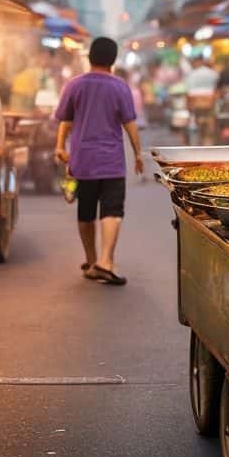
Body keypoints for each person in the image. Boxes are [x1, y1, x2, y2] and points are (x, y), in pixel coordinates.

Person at [54, 37, 144, 286]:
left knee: (86, 210)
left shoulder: (74, 85)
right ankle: (105, 261)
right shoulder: (119, 87)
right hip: (111, 161)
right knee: (112, 209)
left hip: (82, 160)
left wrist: (60, 146)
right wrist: (138, 153)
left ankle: (92, 260)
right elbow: (129, 124)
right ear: (113, 60)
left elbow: (65, 119)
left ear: (90, 57)